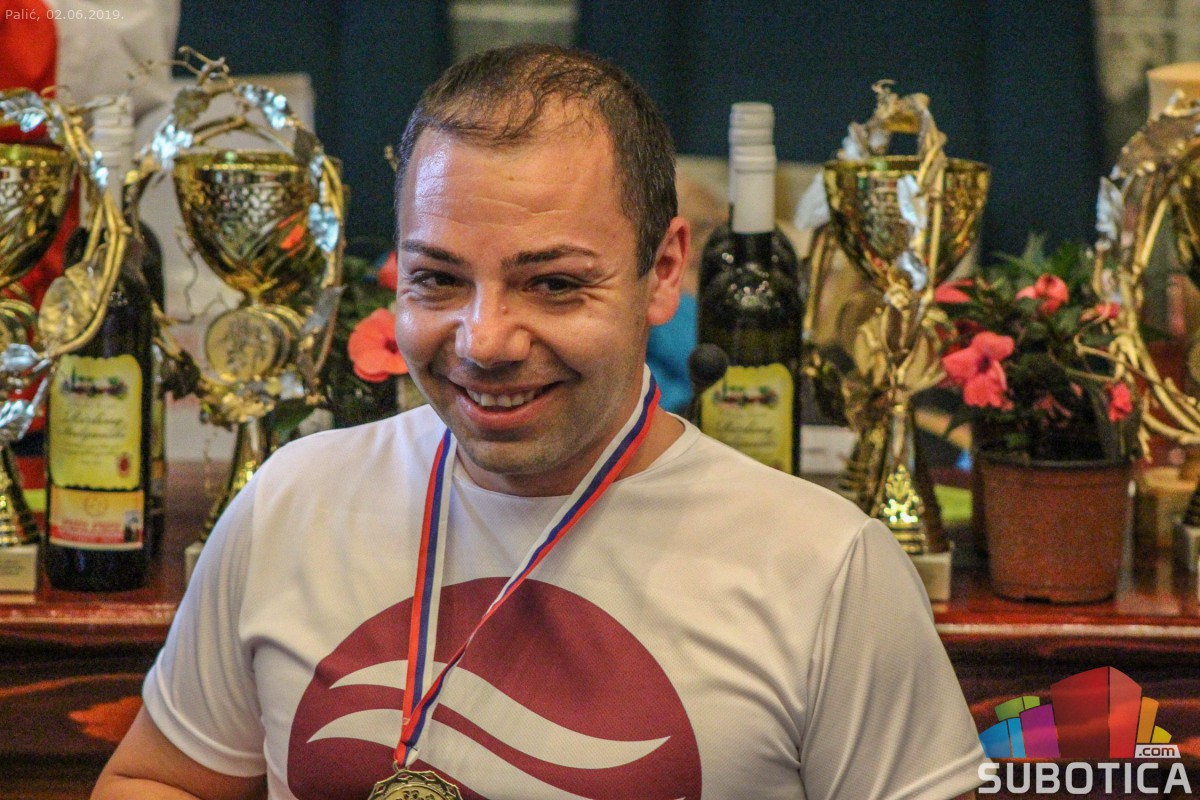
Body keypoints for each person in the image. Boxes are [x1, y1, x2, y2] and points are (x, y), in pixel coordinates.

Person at [94, 44, 984, 800]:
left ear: (663, 272)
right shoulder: (292, 501)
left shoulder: (827, 569)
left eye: (554, 284)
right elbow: (161, 778)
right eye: (438, 280)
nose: (485, 341)